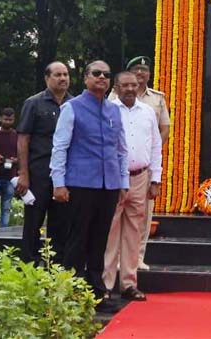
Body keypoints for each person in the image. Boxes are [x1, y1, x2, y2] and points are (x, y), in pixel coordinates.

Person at [51, 60, 128, 302]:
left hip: (109, 185)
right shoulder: (72, 108)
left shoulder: (114, 110)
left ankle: (96, 292)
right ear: (85, 78)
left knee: (100, 240)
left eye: (106, 74)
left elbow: (121, 149)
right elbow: (60, 147)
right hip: (80, 183)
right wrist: (58, 182)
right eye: (96, 73)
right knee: (77, 239)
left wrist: (123, 182)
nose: (102, 78)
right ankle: (71, 293)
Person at [103, 71, 162, 301]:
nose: (130, 89)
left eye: (134, 85)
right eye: (125, 85)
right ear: (116, 88)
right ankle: (106, 284)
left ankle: (128, 283)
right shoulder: (107, 110)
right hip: (115, 179)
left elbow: (156, 146)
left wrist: (155, 179)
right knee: (110, 232)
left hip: (140, 177)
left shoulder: (147, 112)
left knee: (134, 232)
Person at [113, 55, 170, 270]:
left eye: (144, 70)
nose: (141, 73)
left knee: (143, 216)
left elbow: (164, 128)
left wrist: (150, 147)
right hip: (119, 169)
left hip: (143, 167)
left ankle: (137, 257)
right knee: (116, 217)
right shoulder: (112, 100)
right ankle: (117, 258)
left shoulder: (156, 99)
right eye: (136, 69)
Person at [17, 61, 72, 263]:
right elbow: (23, 138)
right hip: (38, 172)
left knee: (61, 223)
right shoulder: (34, 103)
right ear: (47, 78)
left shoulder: (74, 104)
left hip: (64, 175)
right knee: (33, 222)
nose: (63, 78)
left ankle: (56, 267)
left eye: (66, 74)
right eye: (58, 75)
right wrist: (23, 173)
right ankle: (29, 266)